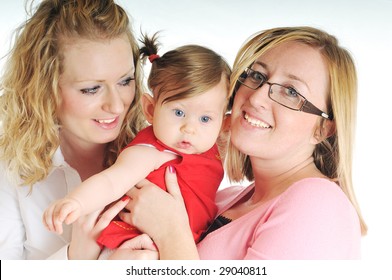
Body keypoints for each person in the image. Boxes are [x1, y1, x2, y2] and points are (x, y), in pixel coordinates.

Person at [123, 26, 368, 260]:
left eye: (291, 92)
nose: (257, 96)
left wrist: (171, 233)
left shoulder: (319, 204)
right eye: (257, 76)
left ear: (323, 128)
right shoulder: (222, 199)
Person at [42, 33, 232, 256]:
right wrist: (76, 202)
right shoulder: (149, 152)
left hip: (181, 244)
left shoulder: (210, 146)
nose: (190, 128)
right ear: (151, 110)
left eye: (205, 119)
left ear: (223, 123)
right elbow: (112, 181)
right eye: (179, 112)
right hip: (136, 243)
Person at [0, 0, 147, 260]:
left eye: (125, 81)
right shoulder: (9, 168)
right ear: (44, 88)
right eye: (91, 88)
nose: (116, 105)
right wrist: (74, 258)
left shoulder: (155, 154)